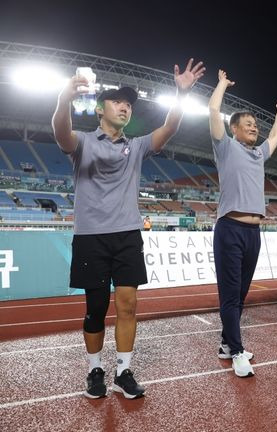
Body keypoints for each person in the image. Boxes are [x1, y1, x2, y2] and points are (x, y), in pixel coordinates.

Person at [52, 58, 205, 398]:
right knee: (95, 308)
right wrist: (64, 99)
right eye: (117, 101)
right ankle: (95, 369)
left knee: (128, 304)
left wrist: (180, 96)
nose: (125, 106)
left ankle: (123, 370)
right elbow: (60, 132)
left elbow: (169, 129)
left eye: (129, 104)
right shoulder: (83, 143)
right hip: (91, 237)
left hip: (126, 235)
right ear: (99, 108)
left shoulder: (134, 146)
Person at [208, 70, 277, 376]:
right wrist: (222, 86)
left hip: (254, 232)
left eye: (256, 125)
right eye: (249, 125)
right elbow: (214, 110)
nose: (255, 128)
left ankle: (227, 344)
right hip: (230, 229)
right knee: (230, 294)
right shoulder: (225, 148)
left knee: (239, 295)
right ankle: (238, 352)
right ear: (234, 129)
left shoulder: (258, 155)